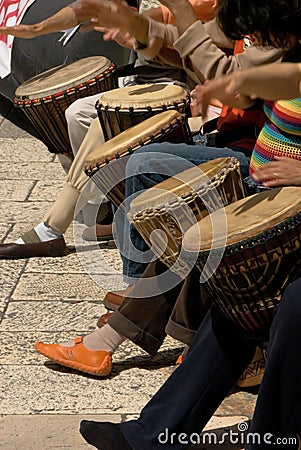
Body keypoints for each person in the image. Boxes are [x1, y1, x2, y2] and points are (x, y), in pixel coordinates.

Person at [70, 0, 301, 448]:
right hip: (265, 200)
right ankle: (152, 434)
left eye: (273, 38)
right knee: (233, 303)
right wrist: (141, 28)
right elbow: (222, 63)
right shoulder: (282, 52)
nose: (265, 47)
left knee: (291, 306)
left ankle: (273, 435)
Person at [32, 0, 287, 378]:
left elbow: (228, 77)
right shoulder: (253, 20)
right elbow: (196, 46)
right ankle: (139, 303)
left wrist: (181, 13)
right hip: (238, 148)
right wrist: (143, 34)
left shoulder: (278, 33)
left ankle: (132, 312)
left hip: (248, 157)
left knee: (145, 167)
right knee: (131, 175)